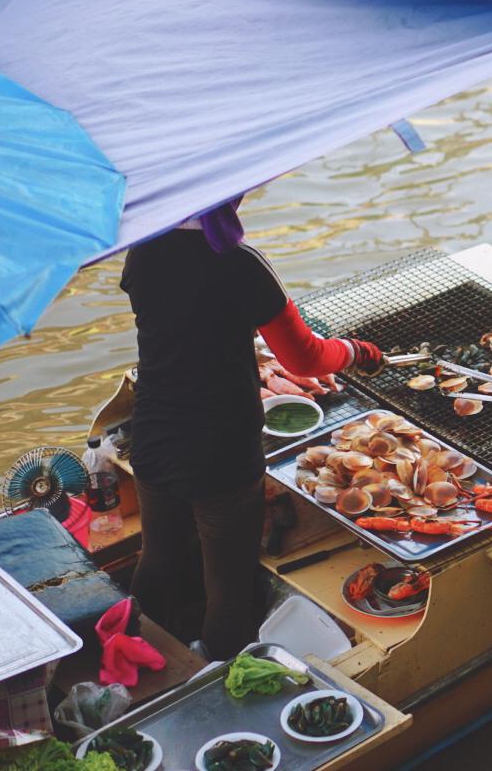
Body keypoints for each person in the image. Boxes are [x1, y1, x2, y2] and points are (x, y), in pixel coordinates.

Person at [120, 198, 382, 657]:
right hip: (221, 450)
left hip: (154, 434)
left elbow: (184, 320)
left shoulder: (142, 251)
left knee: (158, 557)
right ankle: (218, 673)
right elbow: (303, 358)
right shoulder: (240, 262)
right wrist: (354, 351)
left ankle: (135, 648)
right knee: (229, 583)